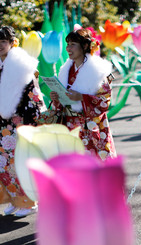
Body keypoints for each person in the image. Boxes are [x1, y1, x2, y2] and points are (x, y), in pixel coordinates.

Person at [0, 26, 45, 216]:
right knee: (0, 161)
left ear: (12, 43)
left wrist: (29, 121)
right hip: (1, 123)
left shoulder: (22, 65)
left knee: (21, 162)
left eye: (3, 41)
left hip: (20, 121)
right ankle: (13, 199)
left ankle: (29, 202)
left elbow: (33, 94)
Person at [48, 28, 117, 160]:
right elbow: (61, 102)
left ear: (85, 46)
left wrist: (82, 97)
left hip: (90, 127)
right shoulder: (65, 69)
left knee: (94, 164)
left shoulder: (98, 71)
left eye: (73, 44)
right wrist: (56, 98)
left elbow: (104, 100)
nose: (68, 48)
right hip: (69, 124)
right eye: (67, 44)